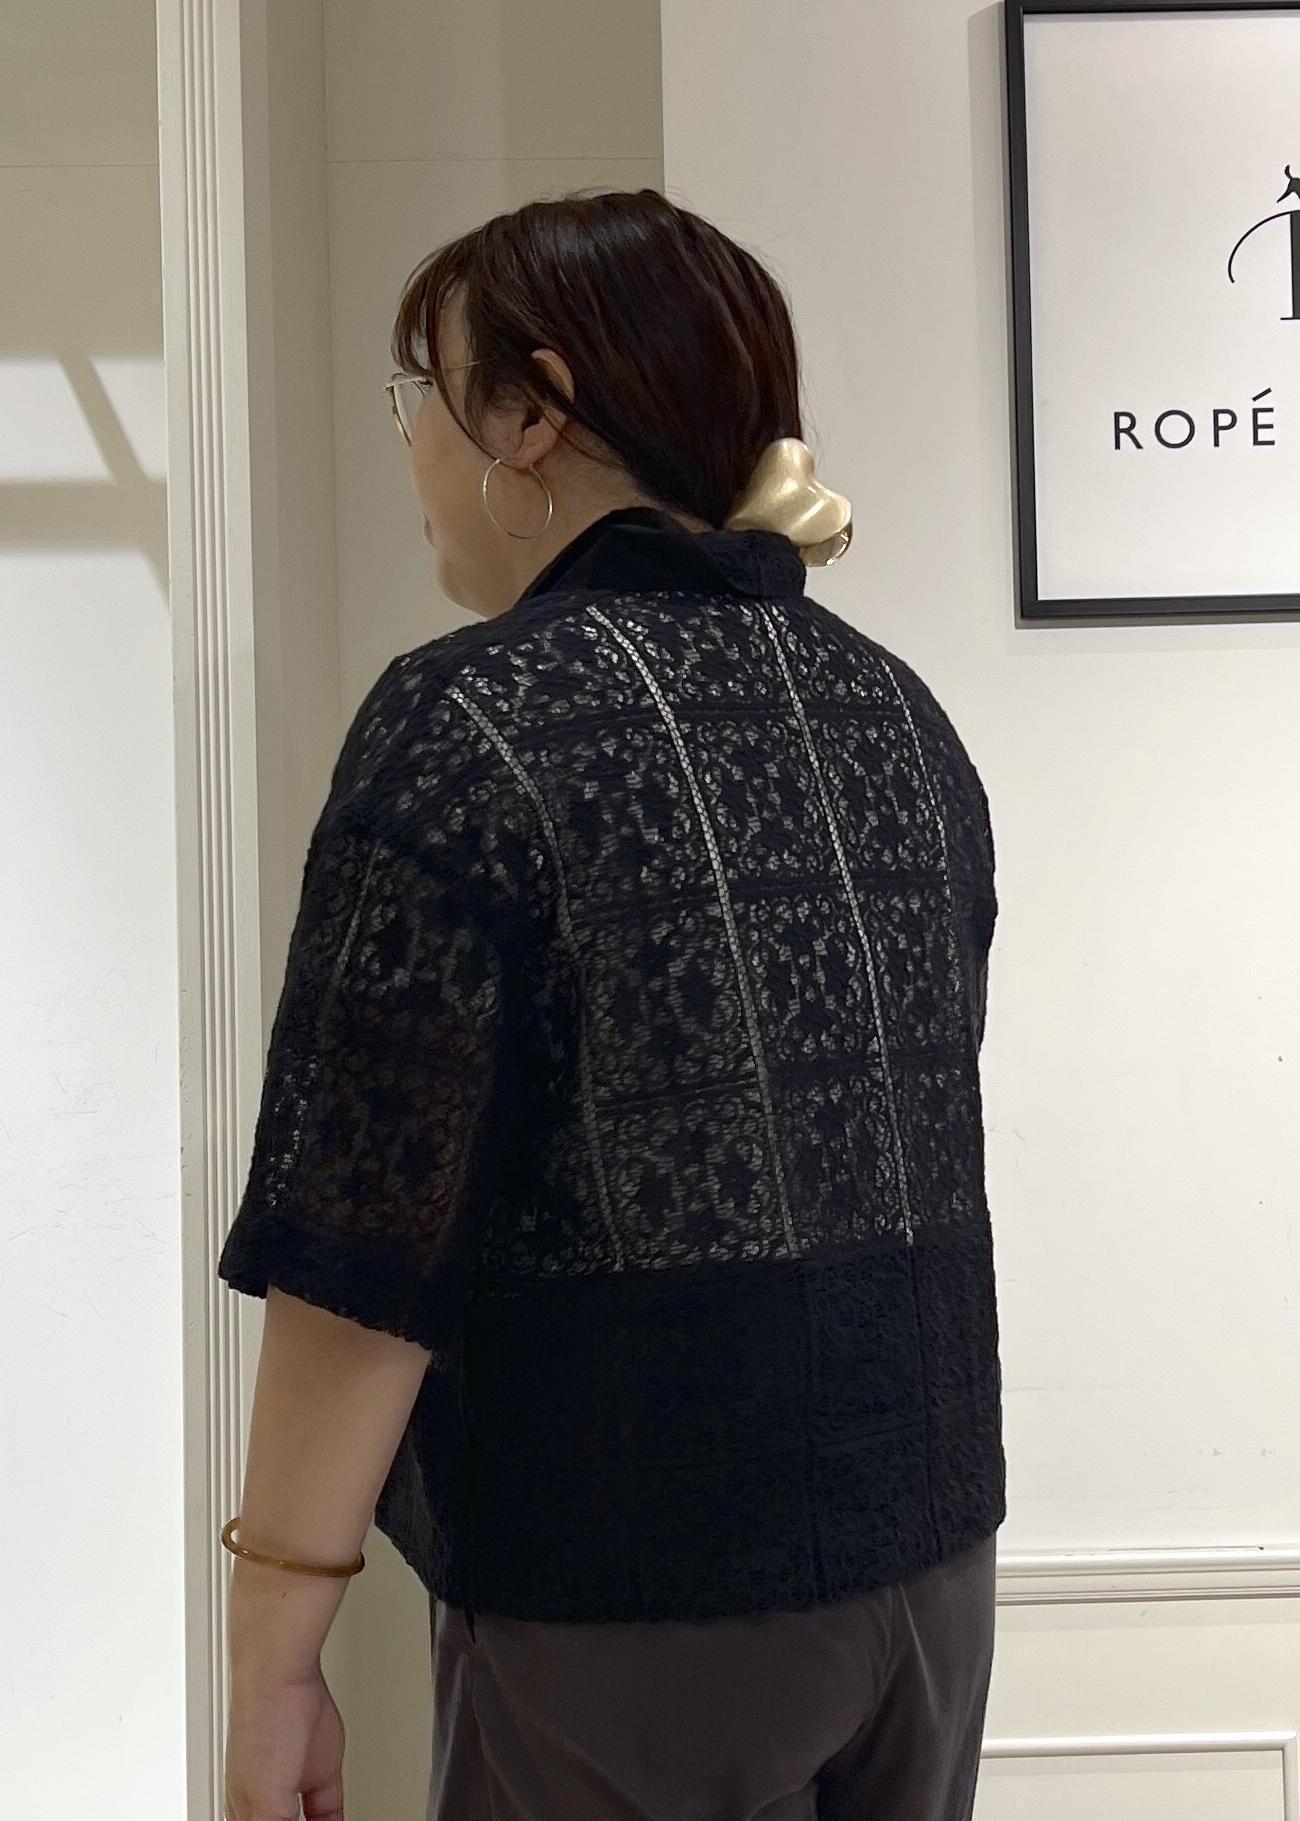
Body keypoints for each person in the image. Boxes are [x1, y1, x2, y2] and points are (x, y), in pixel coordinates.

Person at [216, 187, 1005, 1821]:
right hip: (927, 1560)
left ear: (534, 415)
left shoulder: (475, 719)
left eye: (422, 395)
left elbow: (363, 1237)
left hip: (634, 1584)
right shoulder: (891, 710)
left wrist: (274, 1655)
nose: (412, 448)